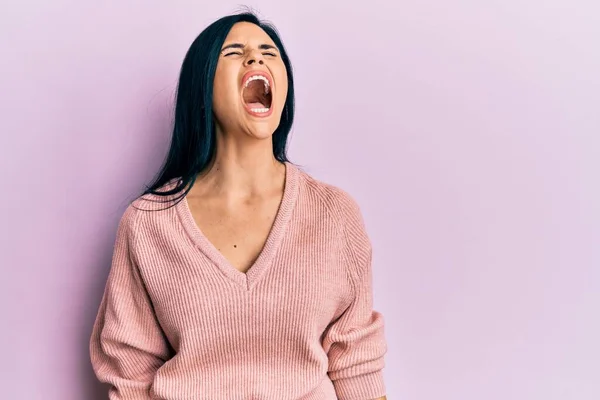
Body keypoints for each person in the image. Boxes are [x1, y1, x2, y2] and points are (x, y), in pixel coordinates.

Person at [89, 11, 388, 400]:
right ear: (203, 86)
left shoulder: (335, 213)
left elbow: (356, 364)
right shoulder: (148, 223)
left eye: (269, 52)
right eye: (235, 52)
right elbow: (130, 375)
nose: (256, 59)